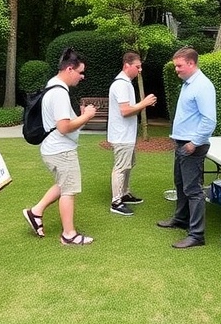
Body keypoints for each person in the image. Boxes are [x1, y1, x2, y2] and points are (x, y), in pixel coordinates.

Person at [23, 47, 97, 245]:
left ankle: (35, 212)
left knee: (63, 184)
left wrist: (80, 116)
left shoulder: (53, 85)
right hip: (61, 150)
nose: (82, 77)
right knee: (68, 190)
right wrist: (86, 116)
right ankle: (69, 235)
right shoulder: (59, 93)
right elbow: (63, 127)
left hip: (53, 148)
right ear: (70, 69)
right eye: (81, 72)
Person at [157, 47, 216, 249]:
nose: (176, 70)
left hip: (193, 145)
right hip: (183, 142)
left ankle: (197, 235)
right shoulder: (188, 84)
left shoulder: (202, 86)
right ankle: (181, 219)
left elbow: (209, 120)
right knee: (180, 183)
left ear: (191, 63)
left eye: (179, 66)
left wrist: (194, 143)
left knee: (193, 189)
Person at [108, 52, 157, 216]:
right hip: (122, 136)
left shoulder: (126, 83)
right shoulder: (121, 84)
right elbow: (125, 111)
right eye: (137, 66)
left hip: (126, 134)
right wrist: (144, 103)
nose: (140, 70)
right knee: (121, 167)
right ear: (126, 65)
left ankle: (125, 193)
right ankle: (116, 202)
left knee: (129, 164)